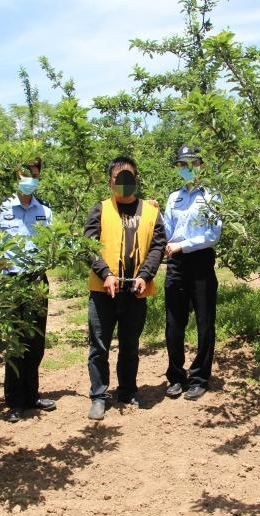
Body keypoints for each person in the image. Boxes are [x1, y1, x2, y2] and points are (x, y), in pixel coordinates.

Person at [83, 156, 166, 420]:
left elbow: (158, 246)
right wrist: (105, 273)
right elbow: (88, 246)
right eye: (118, 179)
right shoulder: (100, 209)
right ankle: (99, 395)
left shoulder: (151, 211)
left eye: (128, 178)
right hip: (103, 291)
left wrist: (145, 275)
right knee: (99, 346)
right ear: (110, 182)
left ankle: (128, 391)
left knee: (130, 345)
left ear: (135, 180)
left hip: (135, 292)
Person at [0, 157, 56, 422]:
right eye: (25, 175)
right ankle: (15, 401)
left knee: (36, 341)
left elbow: (53, 243)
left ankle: (32, 395)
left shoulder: (45, 211)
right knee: (16, 343)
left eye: (34, 175)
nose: (29, 180)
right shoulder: (2, 209)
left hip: (37, 281)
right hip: (12, 281)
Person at [163, 145, 222, 401]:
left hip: (200, 262)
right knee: (173, 323)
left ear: (201, 165)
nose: (187, 168)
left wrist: (183, 245)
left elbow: (213, 234)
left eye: (193, 163)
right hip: (176, 264)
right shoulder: (173, 198)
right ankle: (176, 376)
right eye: (182, 164)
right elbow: (167, 230)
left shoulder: (212, 196)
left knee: (205, 322)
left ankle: (199, 377)